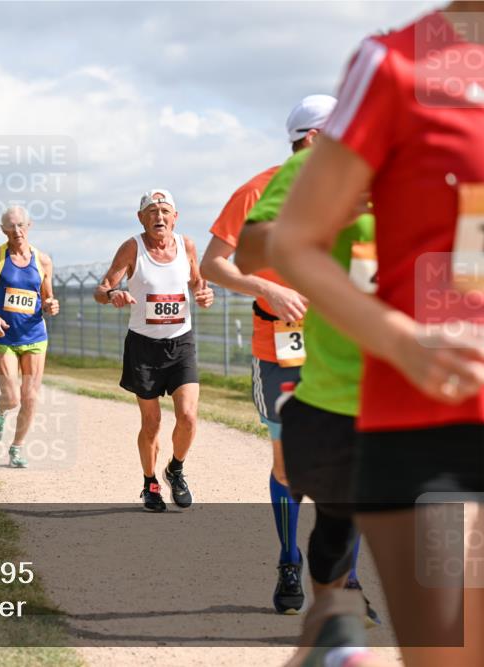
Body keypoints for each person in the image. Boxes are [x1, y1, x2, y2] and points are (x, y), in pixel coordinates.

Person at [264, 7, 483, 666]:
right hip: (432, 416)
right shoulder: (395, 65)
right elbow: (294, 242)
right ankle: (336, 642)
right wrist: (402, 340)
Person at [235, 122, 383, 652]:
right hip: (287, 354)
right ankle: (291, 565)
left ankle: (343, 594)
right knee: (291, 471)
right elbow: (231, 259)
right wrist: (273, 283)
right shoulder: (270, 183)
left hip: (370, 372)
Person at [201, 94, 338, 614]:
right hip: (279, 346)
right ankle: (288, 557)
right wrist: (267, 288)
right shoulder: (257, 191)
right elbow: (214, 264)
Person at [94, 190, 214, 511]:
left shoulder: (186, 245)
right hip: (143, 347)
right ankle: (150, 483)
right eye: (151, 211)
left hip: (181, 342)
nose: (158, 217)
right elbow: (102, 288)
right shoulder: (132, 247)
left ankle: (175, 468)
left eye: (164, 211)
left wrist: (204, 294)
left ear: (175, 216)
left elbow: (198, 282)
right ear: (141, 218)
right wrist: (113, 295)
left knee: (188, 416)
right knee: (152, 423)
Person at [0, 205, 59, 469]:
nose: (16, 230)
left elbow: (47, 297)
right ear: (3, 230)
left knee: (30, 396)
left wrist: (51, 305)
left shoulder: (42, 260)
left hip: (34, 335)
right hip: (4, 337)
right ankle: (0, 409)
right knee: (12, 397)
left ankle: (17, 447)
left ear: (29, 226)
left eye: (21, 225)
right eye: (11, 226)